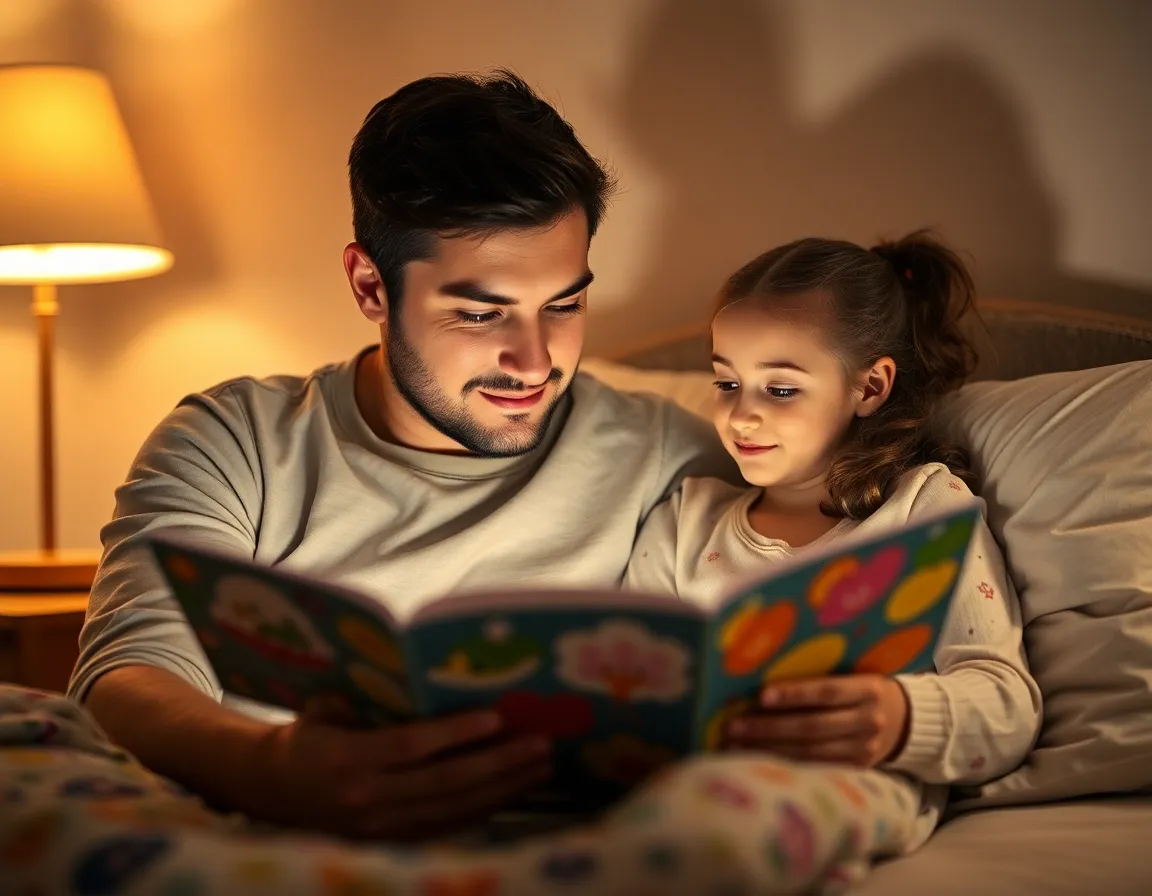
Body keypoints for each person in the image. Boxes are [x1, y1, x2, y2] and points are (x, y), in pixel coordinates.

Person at [68, 70, 736, 842]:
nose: (534, 360)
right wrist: (275, 770)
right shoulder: (232, 441)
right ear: (369, 286)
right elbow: (125, 677)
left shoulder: (675, 454)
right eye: (481, 313)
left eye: (565, 304)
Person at [623, 231, 1043, 882]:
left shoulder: (922, 512)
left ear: (869, 387)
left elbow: (1007, 706)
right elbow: (634, 675)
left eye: (781, 389)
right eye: (727, 381)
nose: (741, 416)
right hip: (689, 789)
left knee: (723, 838)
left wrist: (902, 719)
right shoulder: (685, 520)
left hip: (850, 786)